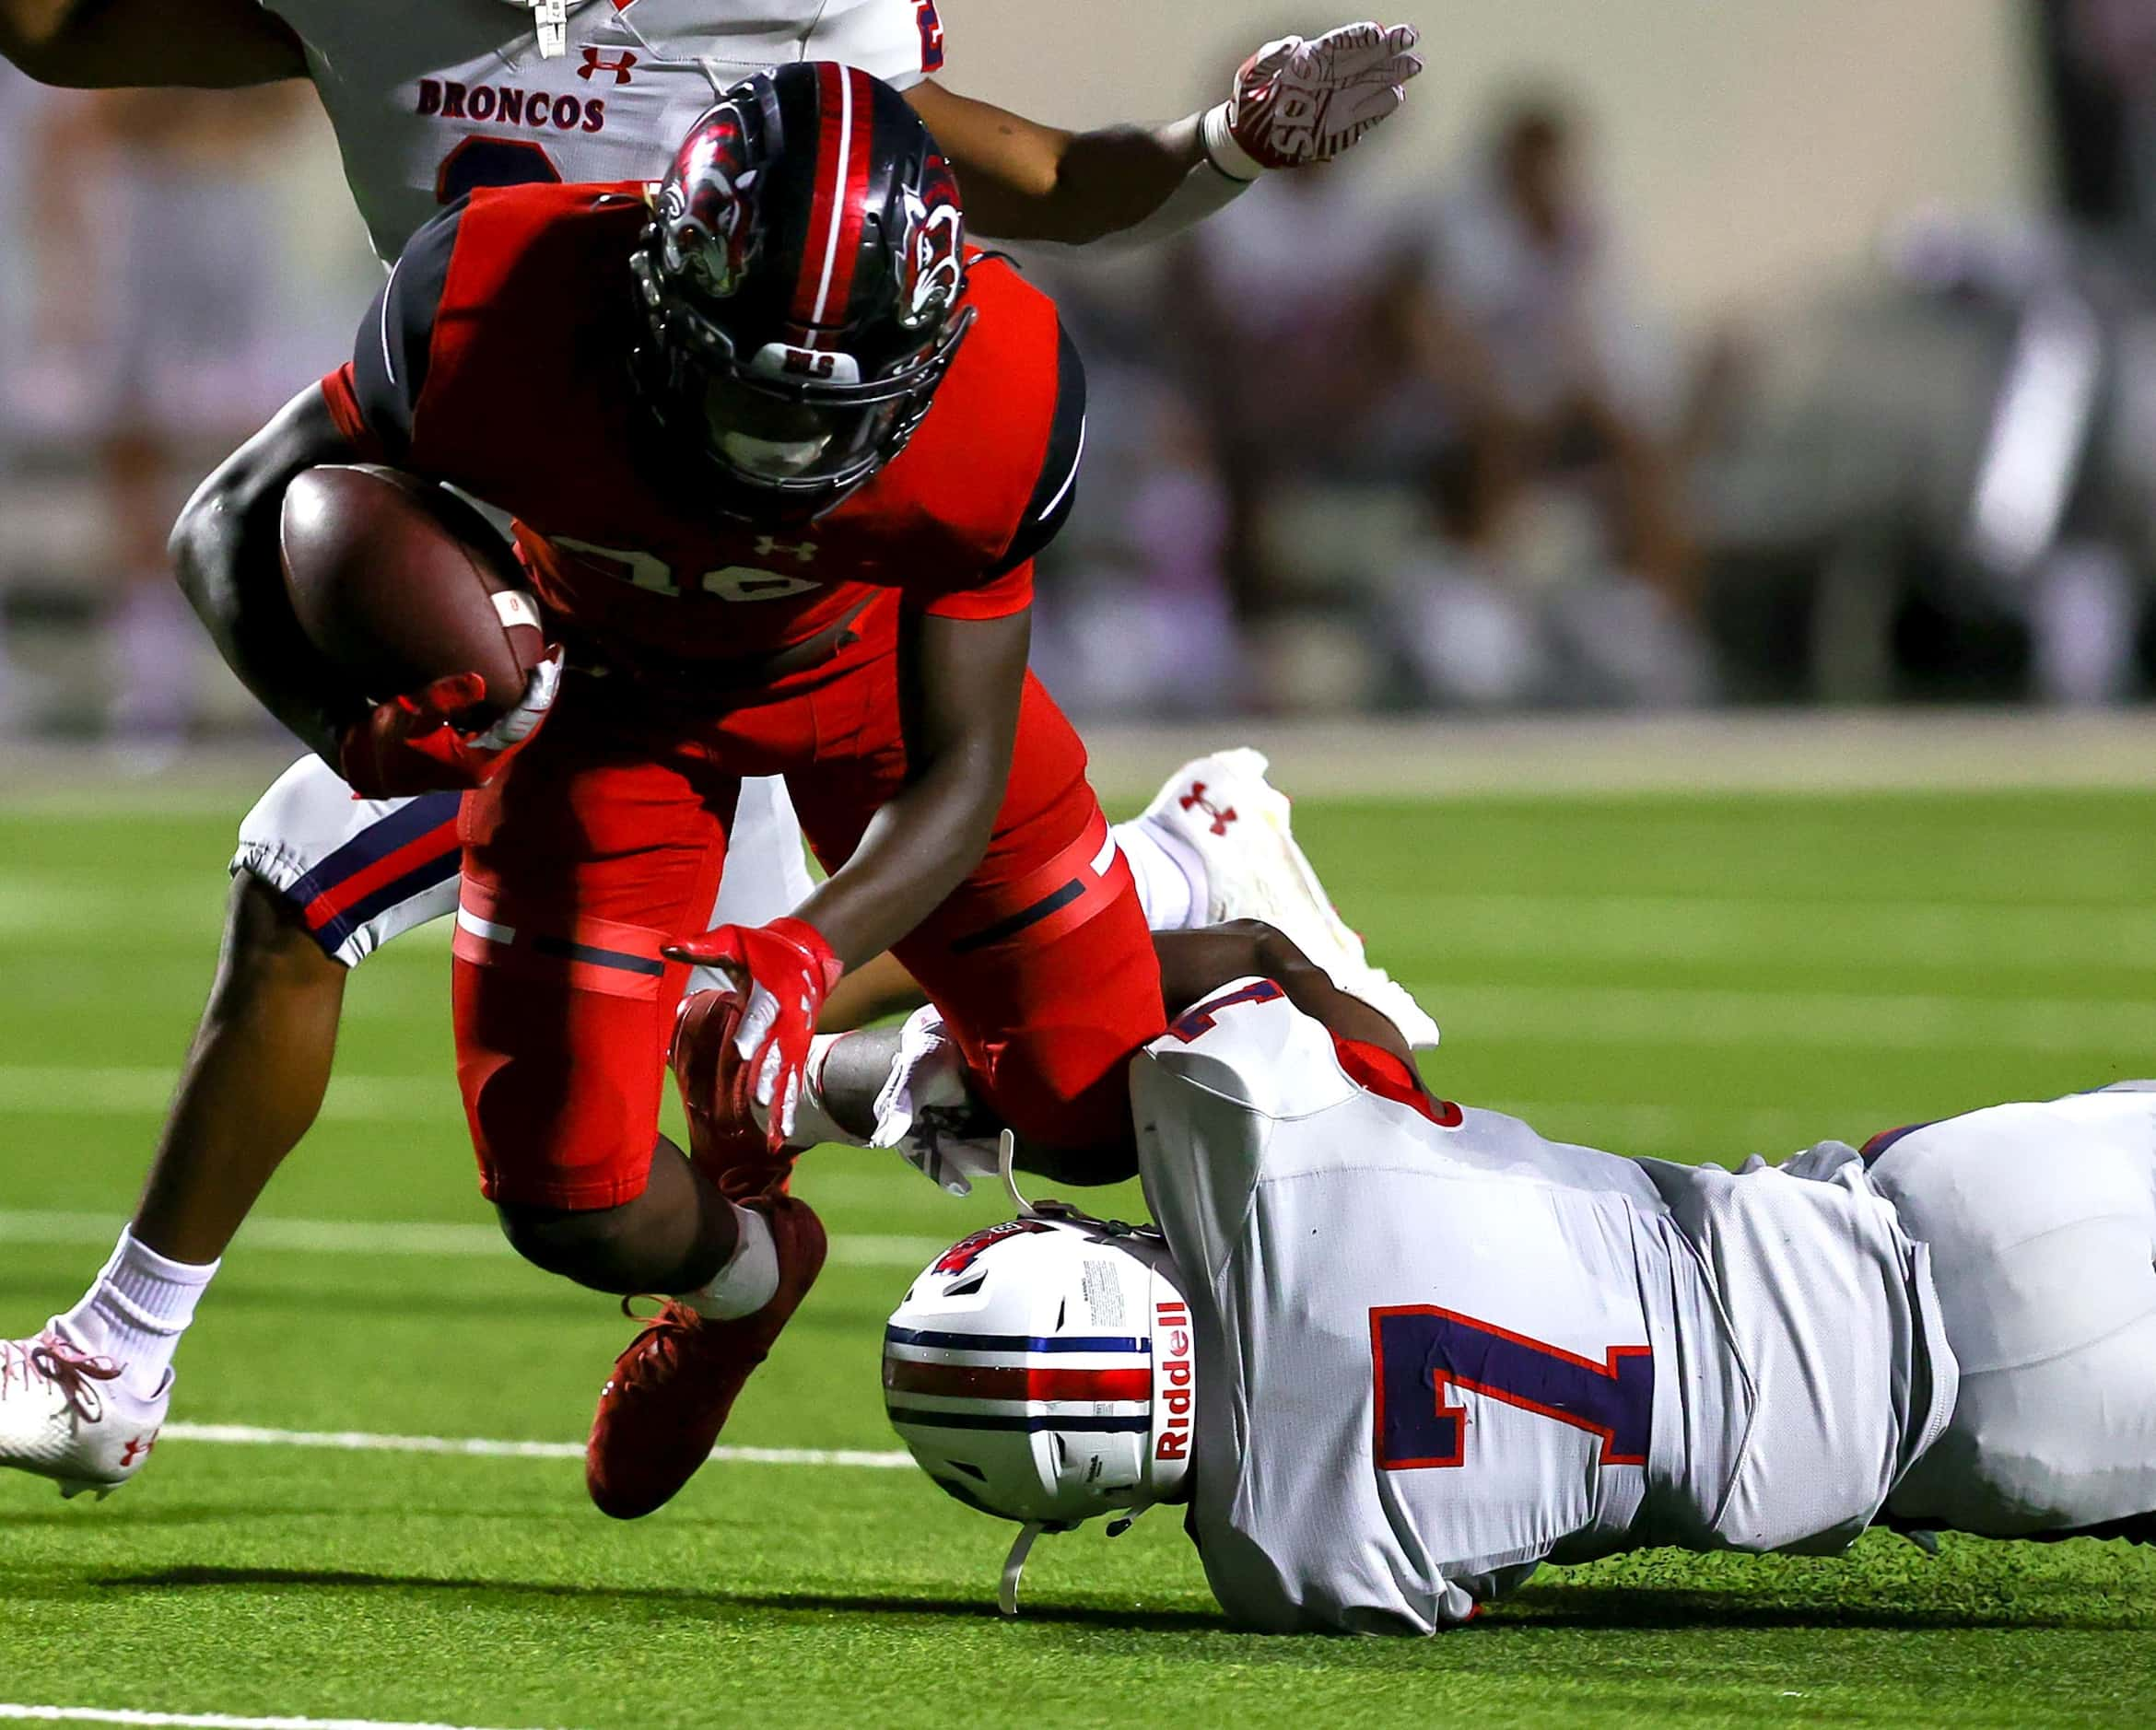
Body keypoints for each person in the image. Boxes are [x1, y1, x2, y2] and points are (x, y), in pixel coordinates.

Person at [0, 4, 1424, 1497]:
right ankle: (765, 1238)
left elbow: (1041, 192)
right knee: (573, 1175)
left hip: (847, 650)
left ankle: (1177, 904)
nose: (782, 443)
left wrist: (1223, 148)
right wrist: (348, 716)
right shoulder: (490, 298)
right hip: (573, 638)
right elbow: (230, 485)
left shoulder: (981, 371)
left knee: (1062, 1104)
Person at [884, 926, 2156, 1631]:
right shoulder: (1253, 1144)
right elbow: (1255, 963)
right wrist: (985, 1061)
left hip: (1993, 1455)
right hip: (1952, 1225)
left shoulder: (1292, 1563)